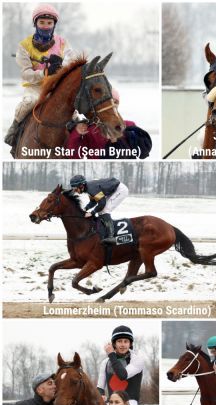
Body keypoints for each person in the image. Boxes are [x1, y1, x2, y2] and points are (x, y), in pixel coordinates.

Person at [4, 4, 75, 146]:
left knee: (74, 113)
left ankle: (77, 139)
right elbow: (26, 74)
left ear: (54, 24)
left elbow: (71, 62)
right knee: (29, 102)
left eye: (49, 23)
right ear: (35, 23)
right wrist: (44, 72)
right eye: (41, 22)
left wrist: (61, 67)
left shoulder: (63, 43)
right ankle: (14, 129)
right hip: (35, 87)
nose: (45, 26)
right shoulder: (24, 46)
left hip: (56, 86)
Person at [65, 89, 152, 159]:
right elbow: (74, 155)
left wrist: (120, 137)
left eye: (115, 102)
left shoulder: (129, 125)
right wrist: (77, 133)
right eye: (106, 102)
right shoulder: (88, 129)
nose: (111, 106)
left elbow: (143, 151)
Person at [97, 326, 145, 405]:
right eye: (119, 341)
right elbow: (100, 387)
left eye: (126, 341)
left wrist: (111, 354)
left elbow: (122, 375)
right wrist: (101, 396)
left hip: (130, 404)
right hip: (112, 403)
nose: (123, 345)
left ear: (130, 344)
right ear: (114, 344)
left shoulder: (138, 360)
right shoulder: (105, 362)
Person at [69, 175, 129, 244]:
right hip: (113, 190)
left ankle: (111, 236)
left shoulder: (91, 189)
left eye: (76, 189)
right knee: (101, 211)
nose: (76, 191)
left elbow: (102, 203)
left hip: (120, 190)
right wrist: (85, 208)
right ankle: (105, 231)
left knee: (105, 210)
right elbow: (93, 202)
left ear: (81, 186)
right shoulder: (88, 188)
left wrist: (92, 212)